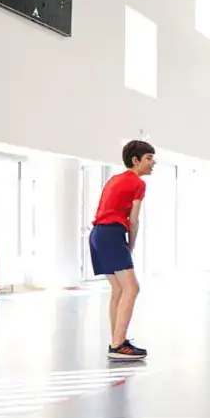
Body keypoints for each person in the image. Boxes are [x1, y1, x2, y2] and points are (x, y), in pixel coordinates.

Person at [89, 139, 155, 360]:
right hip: (111, 234)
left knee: (118, 289)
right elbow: (133, 220)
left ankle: (117, 340)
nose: (152, 163)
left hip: (97, 234)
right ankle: (118, 345)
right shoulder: (138, 183)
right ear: (135, 160)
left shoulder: (114, 179)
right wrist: (131, 245)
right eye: (149, 158)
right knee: (132, 288)